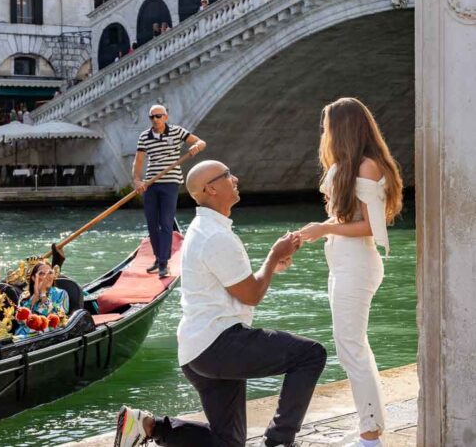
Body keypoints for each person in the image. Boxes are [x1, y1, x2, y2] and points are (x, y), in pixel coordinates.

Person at [115, 160, 327, 447]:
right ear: (211, 188)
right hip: (219, 344)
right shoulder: (216, 236)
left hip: (198, 349)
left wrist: (271, 266)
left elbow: (236, 286)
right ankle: (279, 441)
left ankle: (150, 426)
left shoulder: (205, 229)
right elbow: (250, 294)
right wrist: (274, 255)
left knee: (228, 443)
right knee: (311, 355)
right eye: (227, 175)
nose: (235, 178)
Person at [297, 98, 403, 447]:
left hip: (357, 265)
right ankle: (369, 425)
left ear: (342, 129)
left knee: (352, 349)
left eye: (327, 126)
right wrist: (313, 232)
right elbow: (345, 220)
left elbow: (373, 227)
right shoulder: (349, 165)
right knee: (351, 348)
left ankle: (370, 435)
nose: (324, 133)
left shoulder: (367, 167)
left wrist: (325, 229)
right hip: (342, 263)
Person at [132, 104, 206, 279]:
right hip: (151, 184)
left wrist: (196, 146)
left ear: (166, 117)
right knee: (152, 224)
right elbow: (139, 161)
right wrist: (136, 180)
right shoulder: (144, 136)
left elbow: (201, 142)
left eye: (159, 116)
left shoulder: (177, 132)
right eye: (152, 117)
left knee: (165, 223)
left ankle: (164, 264)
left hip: (170, 183)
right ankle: (159, 258)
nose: (155, 120)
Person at [15, 262, 69, 337]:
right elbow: (20, 321)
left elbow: (58, 318)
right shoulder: (24, 296)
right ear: (34, 278)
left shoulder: (61, 294)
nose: (47, 276)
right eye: (42, 273)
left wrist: (43, 294)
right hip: (24, 334)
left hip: (49, 334)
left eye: (50, 273)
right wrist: (35, 296)